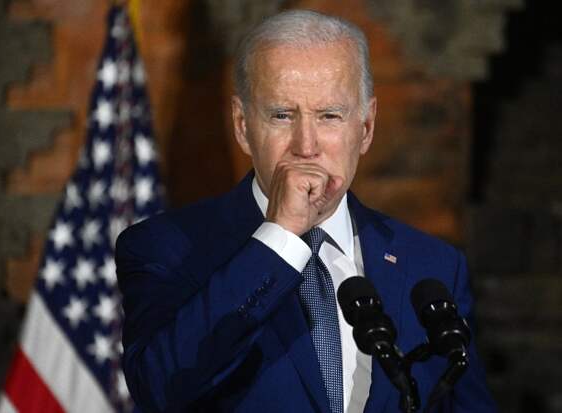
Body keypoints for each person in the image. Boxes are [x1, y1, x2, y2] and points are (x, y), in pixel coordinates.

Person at [115, 9, 497, 413]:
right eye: (282, 115)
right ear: (243, 126)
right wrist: (280, 236)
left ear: (366, 127)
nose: (306, 146)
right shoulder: (164, 247)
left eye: (329, 116)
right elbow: (158, 388)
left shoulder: (433, 266)